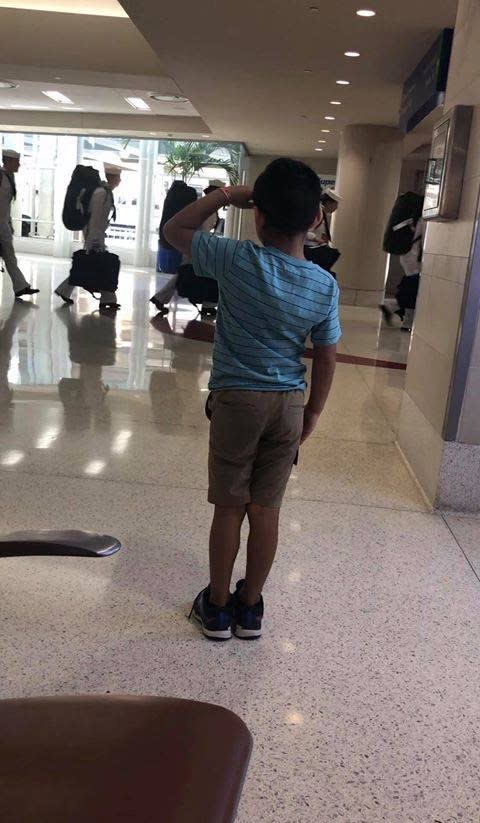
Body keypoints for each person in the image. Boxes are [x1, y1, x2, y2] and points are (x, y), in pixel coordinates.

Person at [164, 158, 340, 641]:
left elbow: (174, 229)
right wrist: (314, 412)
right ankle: (251, 606)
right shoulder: (324, 286)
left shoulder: (238, 259)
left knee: (229, 507)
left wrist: (225, 196)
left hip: (237, 400)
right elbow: (325, 359)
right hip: (287, 405)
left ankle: (217, 607)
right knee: (267, 510)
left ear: (257, 215)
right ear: (316, 220)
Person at [55, 163, 122, 310]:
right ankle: (108, 297)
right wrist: (93, 241)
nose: (120, 180)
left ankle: (65, 290)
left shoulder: (104, 191)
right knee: (96, 264)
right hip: (95, 235)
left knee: (90, 265)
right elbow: (95, 218)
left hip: (96, 234)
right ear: (113, 177)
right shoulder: (102, 193)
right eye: (118, 177)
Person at [0, 149, 39, 299]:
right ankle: (20, 286)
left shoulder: (9, 177)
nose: (19, 165)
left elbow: (5, 205)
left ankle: (20, 286)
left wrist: (8, 222)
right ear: (8, 161)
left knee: (10, 256)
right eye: (17, 162)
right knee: (9, 255)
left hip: (3, 225)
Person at [380, 215, 424, 332]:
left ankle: (392, 308)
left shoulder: (412, 217)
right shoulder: (422, 219)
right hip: (415, 258)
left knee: (410, 287)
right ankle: (406, 321)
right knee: (412, 289)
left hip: (407, 256)